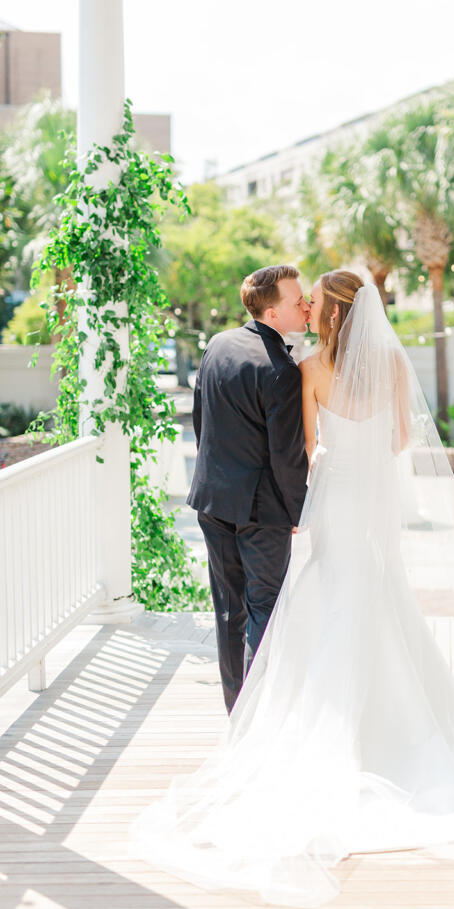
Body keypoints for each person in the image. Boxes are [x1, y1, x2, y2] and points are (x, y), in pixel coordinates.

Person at [132, 270, 454, 906]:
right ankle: (393, 723)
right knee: (379, 593)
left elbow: (307, 448)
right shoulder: (394, 367)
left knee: (315, 595)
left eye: (314, 302)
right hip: (374, 499)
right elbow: (400, 439)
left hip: (335, 497)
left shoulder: (310, 369)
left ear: (329, 315)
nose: (308, 309)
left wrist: (318, 478)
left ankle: (264, 717)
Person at [186, 264, 309, 712]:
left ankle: (237, 713)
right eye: (299, 302)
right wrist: (298, 512)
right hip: (262, 512)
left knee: (228, 612)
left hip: (212, 500)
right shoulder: (282, 370)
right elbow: (287, 456)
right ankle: (262, 721)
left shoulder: (217, 344)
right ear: (274, 313)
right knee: (267, 613)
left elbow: (203, 422)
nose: (307, 306)